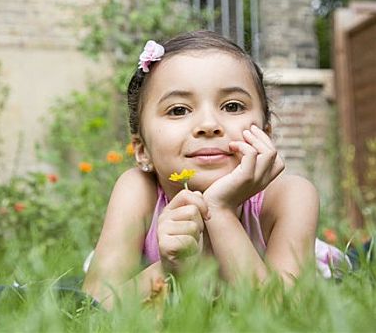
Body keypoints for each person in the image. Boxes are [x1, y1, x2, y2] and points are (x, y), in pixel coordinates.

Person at [82, 30, 348, 309]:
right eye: (178, 110)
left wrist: (219, 210)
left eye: (232, 106)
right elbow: (93, 305)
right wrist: (173, 269)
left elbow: (283, 312)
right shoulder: (138, 190)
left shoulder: (290, 195)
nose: (208, 124)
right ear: (142, 150)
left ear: (265, 134)